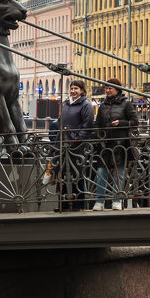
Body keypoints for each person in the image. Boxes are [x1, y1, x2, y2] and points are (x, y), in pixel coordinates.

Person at [93, 78, 137, 210]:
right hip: (105, 145)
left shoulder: (126, 104)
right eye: (106, 88)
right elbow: (97, 123)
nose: (107, 90)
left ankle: (117, 200)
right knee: (101, 173)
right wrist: (97, 135)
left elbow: (135, 121)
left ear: (117, 89)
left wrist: (121, 123)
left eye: (110, 88)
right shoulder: (103, 105)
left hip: (120, 144)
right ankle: (99, 202)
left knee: (119, 174)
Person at [59, 80, 94, 211]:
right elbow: (60, 122)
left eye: (76, 89)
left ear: (82, 90)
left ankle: (79, 205)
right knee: (62, 175)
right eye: (72, 88)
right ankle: (64, 204)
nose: (73, 91)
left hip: (77, 147)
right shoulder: (65, 104)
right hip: (64, 145)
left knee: (77, 175)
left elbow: (87, 125)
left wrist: (76, 139)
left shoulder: (85, 105)